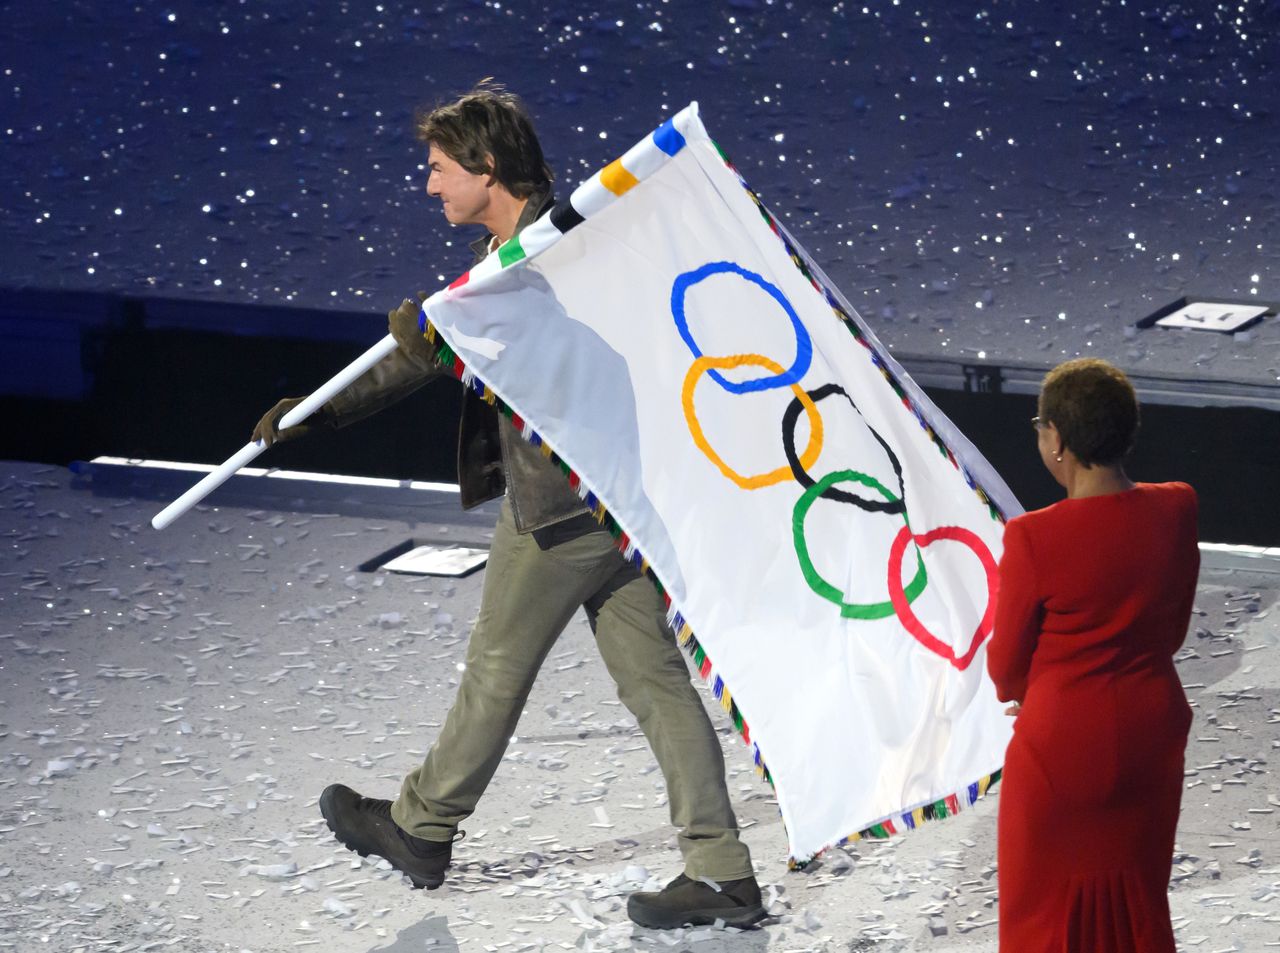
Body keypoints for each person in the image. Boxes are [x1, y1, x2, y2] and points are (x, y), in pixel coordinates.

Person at [251, 80, 765, 931]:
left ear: (488, 168)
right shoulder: (548, 250)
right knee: (660, 688)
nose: (429, 184)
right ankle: (722, 871)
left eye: (440, 166)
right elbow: (439, 351)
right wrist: (333, 402)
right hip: (617, 506)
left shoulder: (543, 260)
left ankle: (421, 825)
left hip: (559, 508)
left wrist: (396, 369)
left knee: (496, 672)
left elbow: (482, 358)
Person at [987, 357, 1199, 952]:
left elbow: (1004, 672)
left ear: (1057, 439)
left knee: (1044, 914)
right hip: (1152, 732)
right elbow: (1173, 628)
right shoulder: (1178, 506)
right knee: (1138, 896)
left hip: (1060, 750)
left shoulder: (1034, 537)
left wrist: (1043, 686)